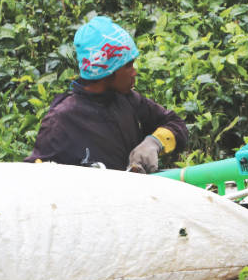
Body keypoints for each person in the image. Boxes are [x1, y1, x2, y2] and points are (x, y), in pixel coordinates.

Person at [25, 16, 188, 172]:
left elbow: (175, 123)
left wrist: (155, 142)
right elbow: (36, 178)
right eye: (128, 66)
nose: (134, 72)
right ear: (107, 71)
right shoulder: (61, 121)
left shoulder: (128, 100)